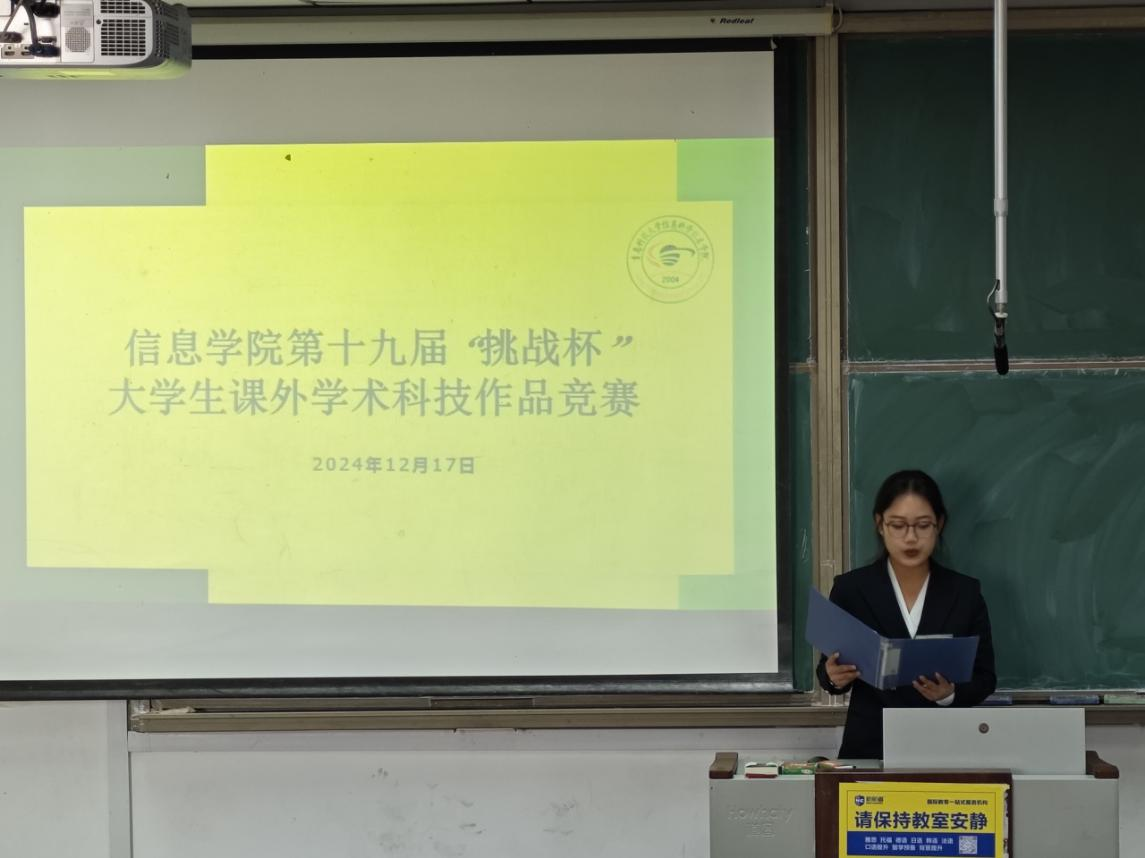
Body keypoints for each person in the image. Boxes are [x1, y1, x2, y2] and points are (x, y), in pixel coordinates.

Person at [816, 470, 996, 760]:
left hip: (945, 748)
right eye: (898, 525)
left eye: (922, 525)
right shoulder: (851, 589)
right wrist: (834, 676)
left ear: (939, 524)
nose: (910, 538)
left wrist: (949, 694)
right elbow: (827, 672)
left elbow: (985, 678)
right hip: (870, 747)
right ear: (880, 524)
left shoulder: (965, 592)